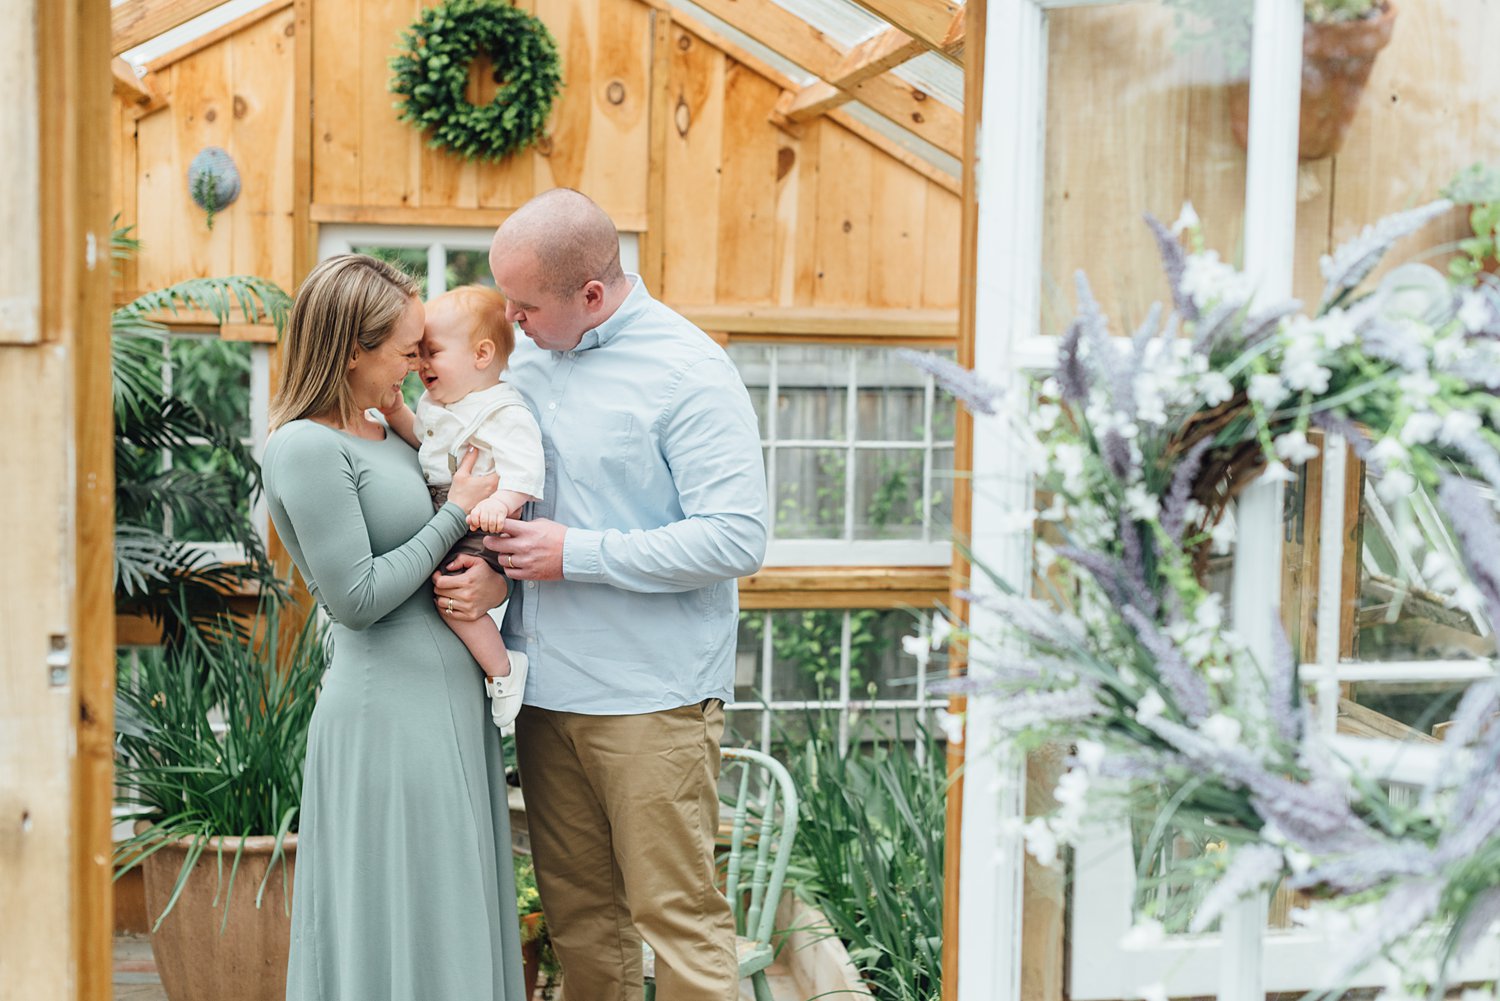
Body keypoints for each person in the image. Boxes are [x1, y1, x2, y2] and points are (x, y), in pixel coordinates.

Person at [484, 188, 770, 1001]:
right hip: (546, 696)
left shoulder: (690, 371)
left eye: (525, 302)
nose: (511, 318)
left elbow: (737, 537)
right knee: (581, 926)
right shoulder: (528, 356)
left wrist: (579, 553)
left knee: (676, 920)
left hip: (652, 701)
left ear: (593, 295)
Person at [263, 254, 524, 1001]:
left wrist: (491, 579)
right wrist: (450, 516)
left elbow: (463, 542)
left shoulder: (390, 428)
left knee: (450, 908)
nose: (418, 364)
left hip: (449, 705)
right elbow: (358, 595)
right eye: (406, 349)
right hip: (388, 715)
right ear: (353, 349)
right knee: (403, 912)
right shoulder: (305, 447)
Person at [384, 284, 544, 728]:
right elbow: (428, 446)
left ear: (481, 354)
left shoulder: (503, 411)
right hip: (449, 511)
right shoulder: (439, 404)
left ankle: (504, 670)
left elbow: (526, 469)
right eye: (416, 354)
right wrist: (398, 414)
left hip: (482, 523)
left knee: (452, 599)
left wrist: (502, 502)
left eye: (431, 352)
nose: (420, 365)